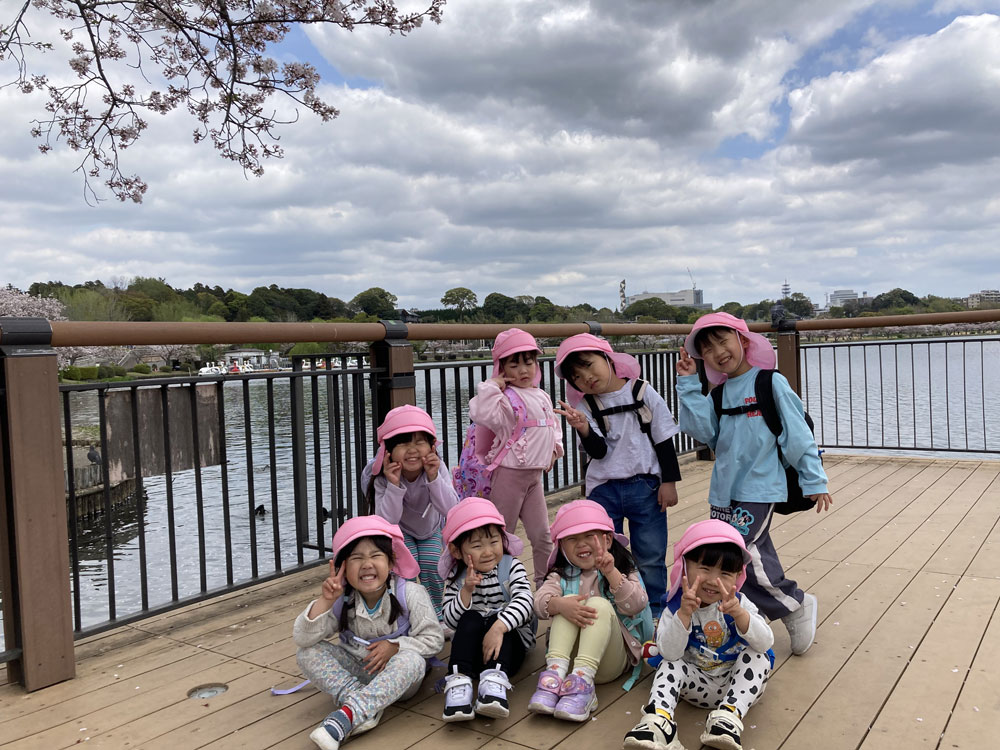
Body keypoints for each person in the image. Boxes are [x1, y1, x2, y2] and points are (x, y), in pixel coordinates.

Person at [675, 312, 832, 655]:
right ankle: (755, 611)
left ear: (743, 341)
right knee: (752, 552)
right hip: (724, 492)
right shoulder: (718, 394)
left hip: (760, 487)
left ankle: (793, 604)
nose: (718, 352)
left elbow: (797, 435)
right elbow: (703, 432)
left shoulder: (770, 382)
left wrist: (814, 478)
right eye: (708, 349)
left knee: (737, 556)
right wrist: (687, 385)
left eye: (723, 341)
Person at [553, 333, 681, 617]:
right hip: (603, 490)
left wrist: (669, 482)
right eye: (576, 376)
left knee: (651, 553)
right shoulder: (586, 406)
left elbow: (663, 439)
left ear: (608, 359)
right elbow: (598, 452)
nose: (586, 377)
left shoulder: (642, 392)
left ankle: (655, 612)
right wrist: (583, 428)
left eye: (589, 365)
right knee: (605, 554)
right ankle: (615, 608)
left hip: (646, 486)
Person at [294, 515, 444, 750]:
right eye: (356, 558)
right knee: (306, 652)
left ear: (391, 562)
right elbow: (303, 638)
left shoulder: (411, 593)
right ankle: (363, 705)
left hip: (399, 680)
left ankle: (348, 715)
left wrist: (396, 647)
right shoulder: (343, 599)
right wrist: (325, 601)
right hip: (359, 672)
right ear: (344, 568)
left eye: (376, 556)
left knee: (412, 660)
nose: (367, 564)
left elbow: (434, 640)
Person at [623, 519, 774, 750]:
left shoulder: (740, 604)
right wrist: (684, 615)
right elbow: (669, 653)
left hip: (738, 688)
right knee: (668, 664)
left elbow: (765, 643)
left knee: (758, 655)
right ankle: (659, 722)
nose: (713, 580)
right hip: (696, 686)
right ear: (685, 567)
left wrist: (739, 614)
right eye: (705, 568)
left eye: (725, 573)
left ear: (737, 576)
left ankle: (727, 720)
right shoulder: (675, 607)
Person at [530, 499, 654, 723]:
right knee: (566, 601)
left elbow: (637, 604)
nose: (581, 544)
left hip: (609, 663)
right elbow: (538, 603)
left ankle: (584, 684)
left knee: (598, 604)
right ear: (561, 547)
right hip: (568, 664)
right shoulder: (561, 574)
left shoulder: (623, 569)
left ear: (607, 539)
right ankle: (553, 678)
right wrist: (559, 605)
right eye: (572, 539)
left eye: (589, 536)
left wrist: (611, 573)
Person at [468, 327, 563, 586]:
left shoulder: (542, 395)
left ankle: (545, 585)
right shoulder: (504, 399)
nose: (523, 370)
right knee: (501, 535)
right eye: (514, 364)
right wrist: (491, 387)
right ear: (502, 368)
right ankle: (498, 586)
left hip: (534, 478)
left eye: (528, 362)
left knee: (542, 535)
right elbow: (481, 413)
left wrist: (554, 449)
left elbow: (553, 426)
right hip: (508, 476)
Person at [437, 497, 536, 721]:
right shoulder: (457, 577)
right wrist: (466, 591)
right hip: (473, 655)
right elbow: (450, 620)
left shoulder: (511, 567)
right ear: (457, 551)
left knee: (497, 617)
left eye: (493, 542)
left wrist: (499, 627)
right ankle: (459, 682)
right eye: (477, 546)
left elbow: (526, 601)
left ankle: (494, 684)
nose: (488, 551)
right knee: (470, 617)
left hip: (508, 652)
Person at [362, 404, 459, 619]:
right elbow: (386, 521)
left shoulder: (437, 468)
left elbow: (451, 509)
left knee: (432, 563)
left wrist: (434, 478)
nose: (412, 449)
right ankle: (407, 614)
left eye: (420, 442)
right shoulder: (382, 477)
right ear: (389, 450)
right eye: (404, 443)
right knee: (405, 565)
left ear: (431, 447)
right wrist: (394, 485)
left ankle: (435, 614)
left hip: (430, 529)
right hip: (398, 531)